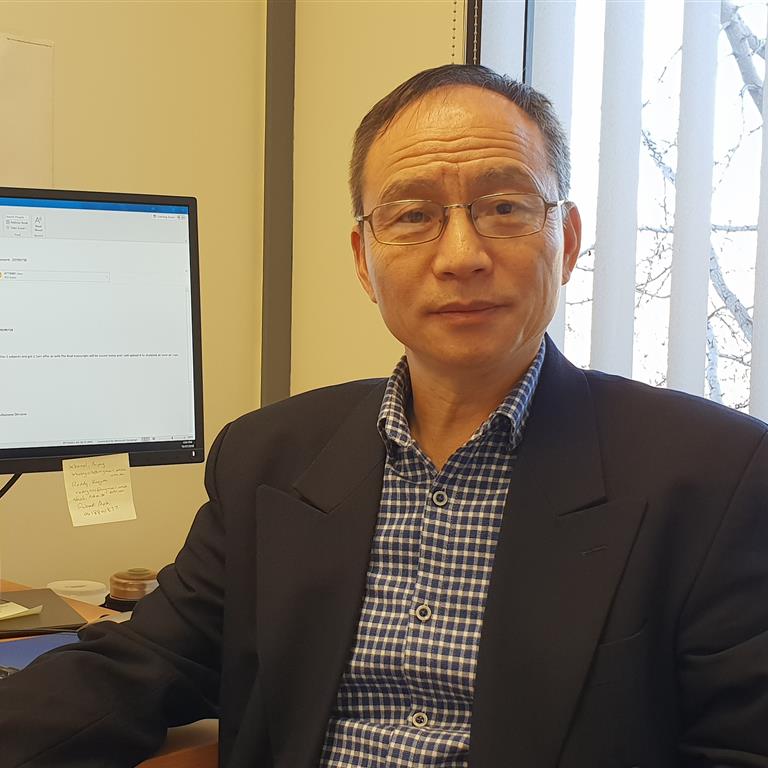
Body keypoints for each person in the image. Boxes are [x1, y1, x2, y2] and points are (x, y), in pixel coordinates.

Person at [2, 63, 768, 768]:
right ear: (364, 260)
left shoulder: (716, 478)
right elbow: (145, 666)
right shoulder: (270, 457)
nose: (461, 254)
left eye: (505, 207)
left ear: (564, 242)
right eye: (412, 215)